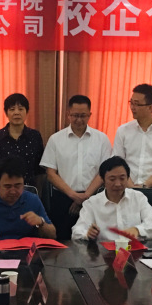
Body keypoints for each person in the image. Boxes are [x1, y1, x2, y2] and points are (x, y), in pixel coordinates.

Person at [40, 95, 111, 240]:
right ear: (68, 115)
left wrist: (85, 196)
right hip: (63, 199)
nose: (79, 120)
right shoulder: (56, 139)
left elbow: (104, 172)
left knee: (93, 241)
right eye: (75, 115)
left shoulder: (102, 139)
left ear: (90, 115)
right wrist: (73, 195)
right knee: (62, 242)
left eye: (83, 116)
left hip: (94, 198)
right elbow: (51, 173)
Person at [71, 156, 152, 242]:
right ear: (103, 180)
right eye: (112, 179)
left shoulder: (138, 198)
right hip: (103, 252)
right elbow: (76, 233)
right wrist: (87, 234)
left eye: (122, 178)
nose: (118, 184)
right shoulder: (92, 203)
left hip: (134, 250)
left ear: (127, 178)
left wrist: (137, 230)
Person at [113, 83, 152, 188]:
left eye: (137, 104)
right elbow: (118, 162)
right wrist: (132, 187)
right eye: (131, 103)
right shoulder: (123, 131)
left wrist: (144, 186)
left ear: (150, 107)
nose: (132, 107)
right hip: (127, 188)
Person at [0, 93, 44, 187]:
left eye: (20, 109)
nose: (16, 113)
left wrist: (37, 193)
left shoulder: (35, 136)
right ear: (6, 113)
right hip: (2, 191)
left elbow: (40, 171)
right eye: (12, 109)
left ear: (27, 112)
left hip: (28, 191)